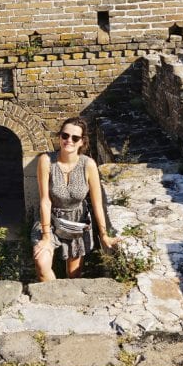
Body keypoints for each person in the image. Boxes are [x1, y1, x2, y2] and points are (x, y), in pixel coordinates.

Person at [32, 116, 120, 281]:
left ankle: (66, 302)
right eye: (65, 136)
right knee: (41, 264)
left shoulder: (88, 165)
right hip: (50, 220)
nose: (68, 140)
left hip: (76, 221)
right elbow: (45, 200)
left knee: (74, 275)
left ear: (82, 142)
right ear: (60, 136)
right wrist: (45, 236)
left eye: (75, 138)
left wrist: (103, 234)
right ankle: (54, 300)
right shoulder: (46, 161)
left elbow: (97, 204)